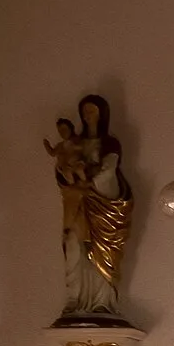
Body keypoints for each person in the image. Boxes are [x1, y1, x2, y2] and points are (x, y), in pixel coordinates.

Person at [47, 92, 134, 322]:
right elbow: (62, 167)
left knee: (101, 249)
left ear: (102, 114)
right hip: (78, 200)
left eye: (92, 110)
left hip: (103, 201)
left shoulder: (110, 143)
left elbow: (110, 167)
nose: (87, 115)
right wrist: (68, 175)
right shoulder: (75, 143)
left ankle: (102, 302)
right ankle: (75, 298)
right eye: (84, 111)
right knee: (74, 244)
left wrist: (90, 181)